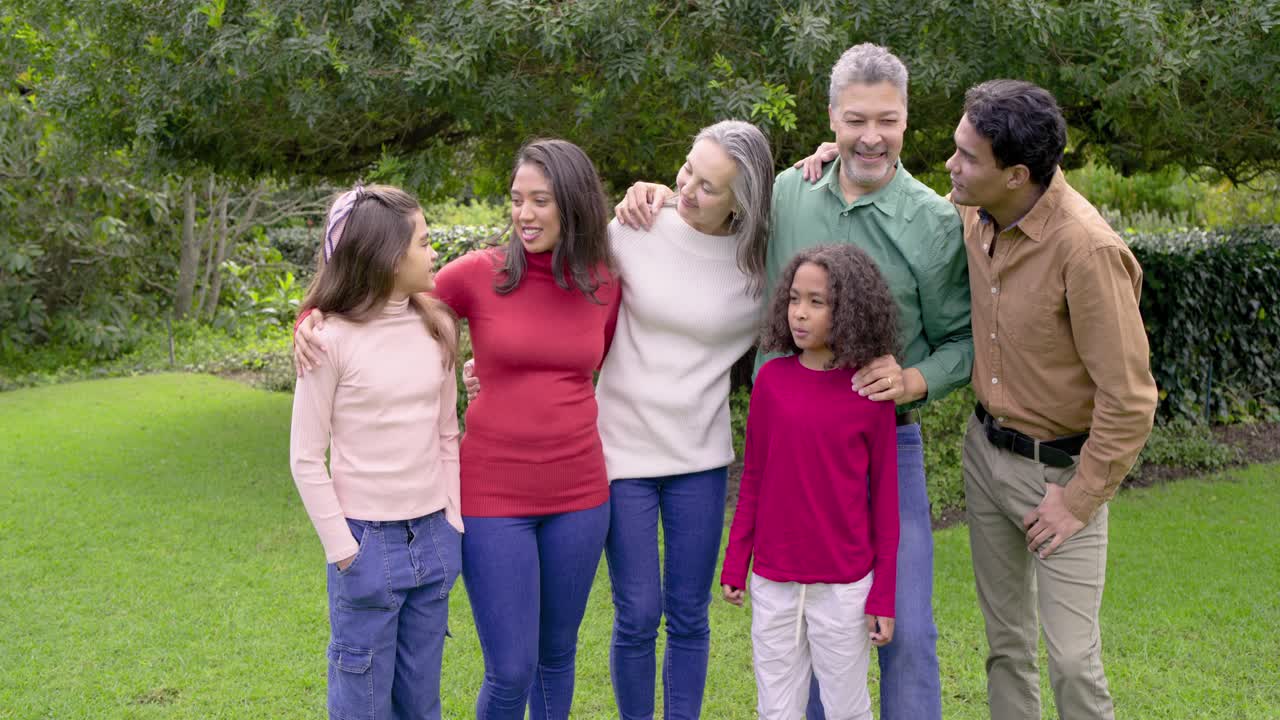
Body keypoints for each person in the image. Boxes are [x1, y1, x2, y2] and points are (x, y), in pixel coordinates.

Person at [618, 44, 972, 720]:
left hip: (881, 444)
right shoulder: (787, 191)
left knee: (906, 631)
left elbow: (963, 341)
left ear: (908, 120)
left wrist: (915, 378)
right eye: (855, 119)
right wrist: (665, 196)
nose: (872, 136)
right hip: (789, 446)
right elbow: (717, 218)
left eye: (888, 120)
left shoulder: (932, 223)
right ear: (832, 118)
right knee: (804, 631)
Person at [296, 139, 620, 720]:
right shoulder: (477, 275)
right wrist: (308, 318)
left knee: (557, 655)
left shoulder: (605, 281)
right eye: (516, 199)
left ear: (573, 205)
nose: (523, 213)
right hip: (493, 496)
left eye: (540, 200)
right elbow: (374, 291)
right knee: (511, 669)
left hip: (581, 494)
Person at [466, 120, 776, 720]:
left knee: (688, 614)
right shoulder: (633, 229)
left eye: (709, 187)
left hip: (701, 458)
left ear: (744, 201)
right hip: (619, 453)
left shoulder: (760, 266)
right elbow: (564, 296)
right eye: (687, 170)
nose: (686, 189)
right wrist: (503, 365)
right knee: (636, 613)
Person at [944, 79, 1158, 720]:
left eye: (966, 156)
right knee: (1006, 647)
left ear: (1016, 175)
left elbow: (1130, 397)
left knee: (1070, 660)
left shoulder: (1086, 250)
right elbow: (898, 195)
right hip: (986, 457)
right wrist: (832, 153)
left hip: (1062, 475)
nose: (951, 166)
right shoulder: (975, 208)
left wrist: (1078, 499)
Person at [289, 184, 463, 720]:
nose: (434, 252)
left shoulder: (438, 329)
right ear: (390, 258)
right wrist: (345, 551)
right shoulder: (329, 340)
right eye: (424, 242)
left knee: (420, 702)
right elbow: (304, 457)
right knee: (361, 703)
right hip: (366, 544)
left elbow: (446, 436)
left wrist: (453, 522)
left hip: (434, 538)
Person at [720, 244, 901, 720]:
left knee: (847, 710)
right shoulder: (772, 382)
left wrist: (882, 593)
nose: (799, 314)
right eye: (794, 299)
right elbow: (754, 477)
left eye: (816, 302)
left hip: (843, 587)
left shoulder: (870, 392)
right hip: (773, 580)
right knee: (776, 710)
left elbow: (884, 500)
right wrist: (737, 560)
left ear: (849, 311)